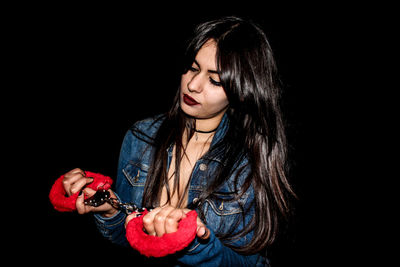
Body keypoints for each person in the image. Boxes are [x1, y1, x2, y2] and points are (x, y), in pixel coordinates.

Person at [61, 16, 296, 266]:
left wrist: (196, 243)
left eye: (215, 80)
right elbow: (127, 237)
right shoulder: (141, 137)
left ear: (243, 91)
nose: (193, 85)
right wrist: (109, 210)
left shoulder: (249, 161)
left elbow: (252, 264)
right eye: (193, 68)